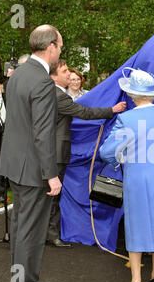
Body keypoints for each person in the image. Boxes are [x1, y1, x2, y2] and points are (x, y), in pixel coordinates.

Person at [100, 68, 154, 282]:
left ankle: (135, 279)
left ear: (132, 95)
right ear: (153, 93)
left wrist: (122, 158)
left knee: (136, 224)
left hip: (137, 176)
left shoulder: (127, 118)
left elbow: (107, 152)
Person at [0, 24, 63, 282]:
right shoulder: (42, 81)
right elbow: (42, 133)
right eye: (60, 47)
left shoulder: (18, 74)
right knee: (30, 233)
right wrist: (51, 174)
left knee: (20, 228)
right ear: (50, 47)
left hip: (15, 165)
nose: (60, 52)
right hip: (34, 170)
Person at [47, 60, 126, 248]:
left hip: (53, 151)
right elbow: (83, 112)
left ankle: (48, 232)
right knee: (52, 196)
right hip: (56, 152)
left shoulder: (50, 92)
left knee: (50, 195)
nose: (69, 75)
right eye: (65, 71)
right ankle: (50, 234)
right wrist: (111, 110)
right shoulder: (58, 96)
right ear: (53, 75)